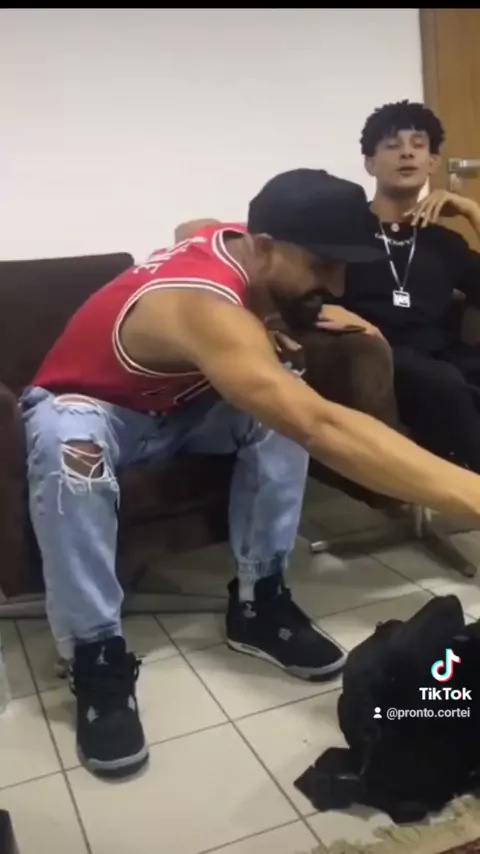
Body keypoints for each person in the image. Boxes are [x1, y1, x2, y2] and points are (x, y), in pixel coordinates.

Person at [20, 169, 480, 781]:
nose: (336, 286)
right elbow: (325, 427)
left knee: (277, 407)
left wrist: (274, 315)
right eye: (322, 267)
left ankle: (259, 603)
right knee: (72, 451)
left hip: (178, 410)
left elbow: (193, 226)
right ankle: (95, 654)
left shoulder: (234, 237)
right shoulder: (202, 305)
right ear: (263, 249)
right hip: (90, 409)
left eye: (345, 268)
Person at [331, 100, 480, 469]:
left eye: (418, 145)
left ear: (432, 163)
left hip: (439, 352)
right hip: (373, 351)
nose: (407, 153)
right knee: (444, 384)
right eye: (392, 145)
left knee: (451, 375)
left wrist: (472, 211)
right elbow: (305, 286)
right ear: (370, 163)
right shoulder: (344, 229)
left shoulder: (444, 243)